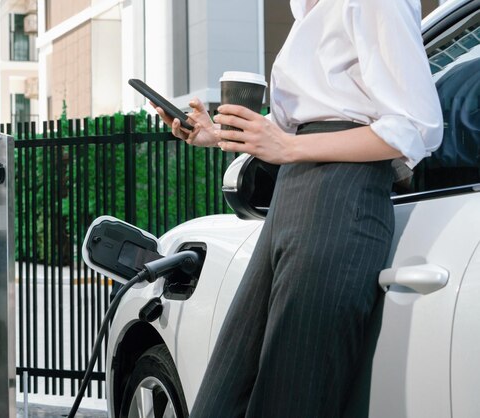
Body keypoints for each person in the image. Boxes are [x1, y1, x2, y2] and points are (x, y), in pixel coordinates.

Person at [153, 0, 443, 416]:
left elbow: (416, 126)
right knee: (221, 400)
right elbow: (302, 124)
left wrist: (289, 146)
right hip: (291, 198)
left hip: (340, 201)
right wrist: (215, 133)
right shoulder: (307, 9)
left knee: (291, 398)